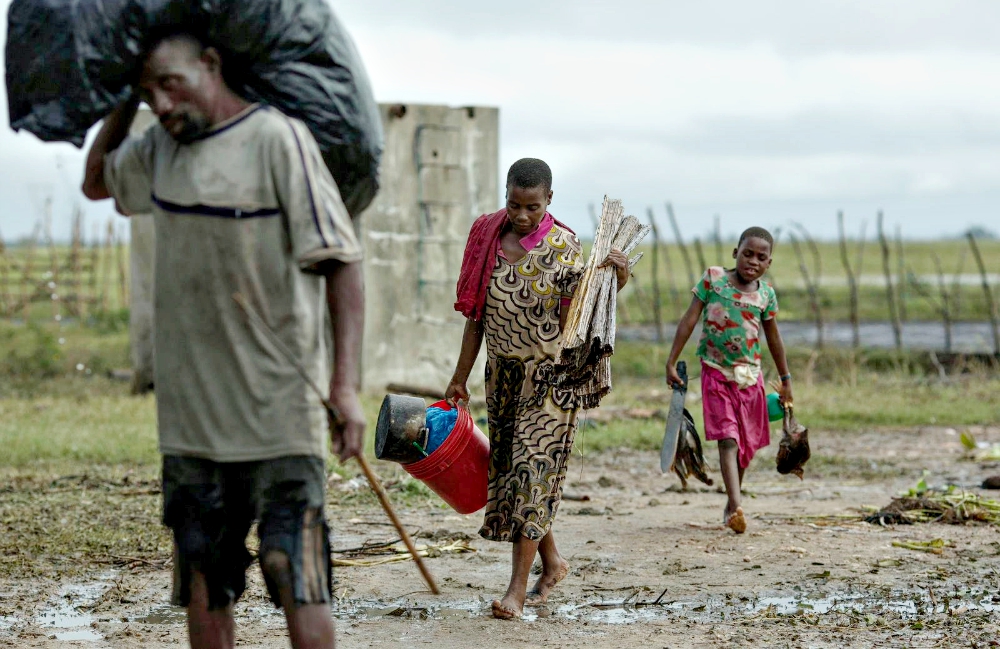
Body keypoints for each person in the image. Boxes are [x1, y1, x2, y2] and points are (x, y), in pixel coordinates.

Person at [81, 32, 365, 649]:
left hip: (279, 410)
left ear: (211, 65)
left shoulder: (276, 139)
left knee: (298, 572)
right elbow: (97, 182)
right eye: (148, 90)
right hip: (191, 421)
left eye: (170, 83)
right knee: (205, 579)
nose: (161, 102)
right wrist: (124, 101)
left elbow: (342, 260)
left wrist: (344, 387)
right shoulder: (157, 149)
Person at [445, 158, 629, 620]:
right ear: (505, 195)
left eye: (532, 206)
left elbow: (584, 308)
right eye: (514, 204)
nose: (521, 215)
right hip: (502, 378)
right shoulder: (487, 238)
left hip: (550, 380)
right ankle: (553, 561)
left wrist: (615, 280)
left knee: (529, 474)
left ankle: (516, 590)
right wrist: (459, 377)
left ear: (549, 200)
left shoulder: (564, 246)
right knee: (514, 476)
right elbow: (475, 322)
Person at [664, 227, 792, 534]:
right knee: (728, 439)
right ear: (736, 253)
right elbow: (689, 319)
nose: (753, 261)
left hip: (750, 378)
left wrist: (786, 378)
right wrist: (671, 360)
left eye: (761, 257)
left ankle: (731, 505)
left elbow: (774, 339)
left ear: (768, 263)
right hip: (716, 373)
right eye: (748, 253)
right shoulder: (713, 279)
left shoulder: (766, 295)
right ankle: (736, 505)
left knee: (745, 445)